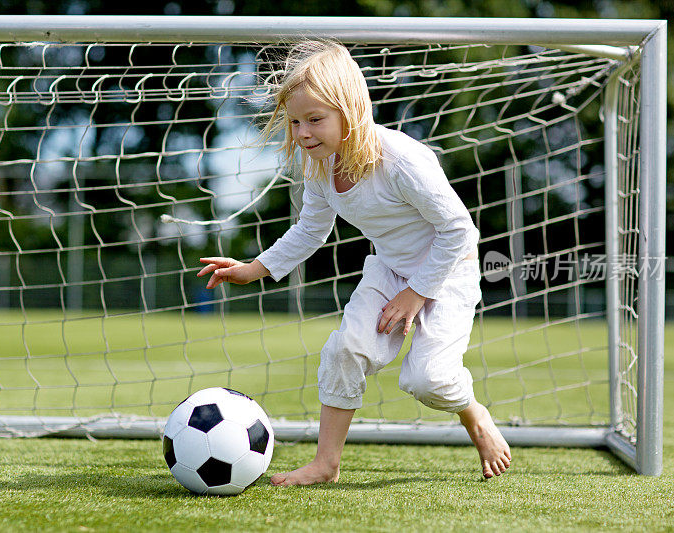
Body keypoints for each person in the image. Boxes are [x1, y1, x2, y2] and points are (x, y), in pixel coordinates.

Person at [197, 40, 510, 485]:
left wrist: (417, 292)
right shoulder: (320, 168)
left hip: (447, 270)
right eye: (295, 122)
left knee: (427, 381)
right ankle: (326, 464)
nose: (303, 133)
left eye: (315, 120)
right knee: (345, 350)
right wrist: (255, 268)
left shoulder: (400, 159)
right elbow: (310, 230)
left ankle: (474, 415)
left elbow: (460, 230)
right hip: (389, 270)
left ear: (350, 110)